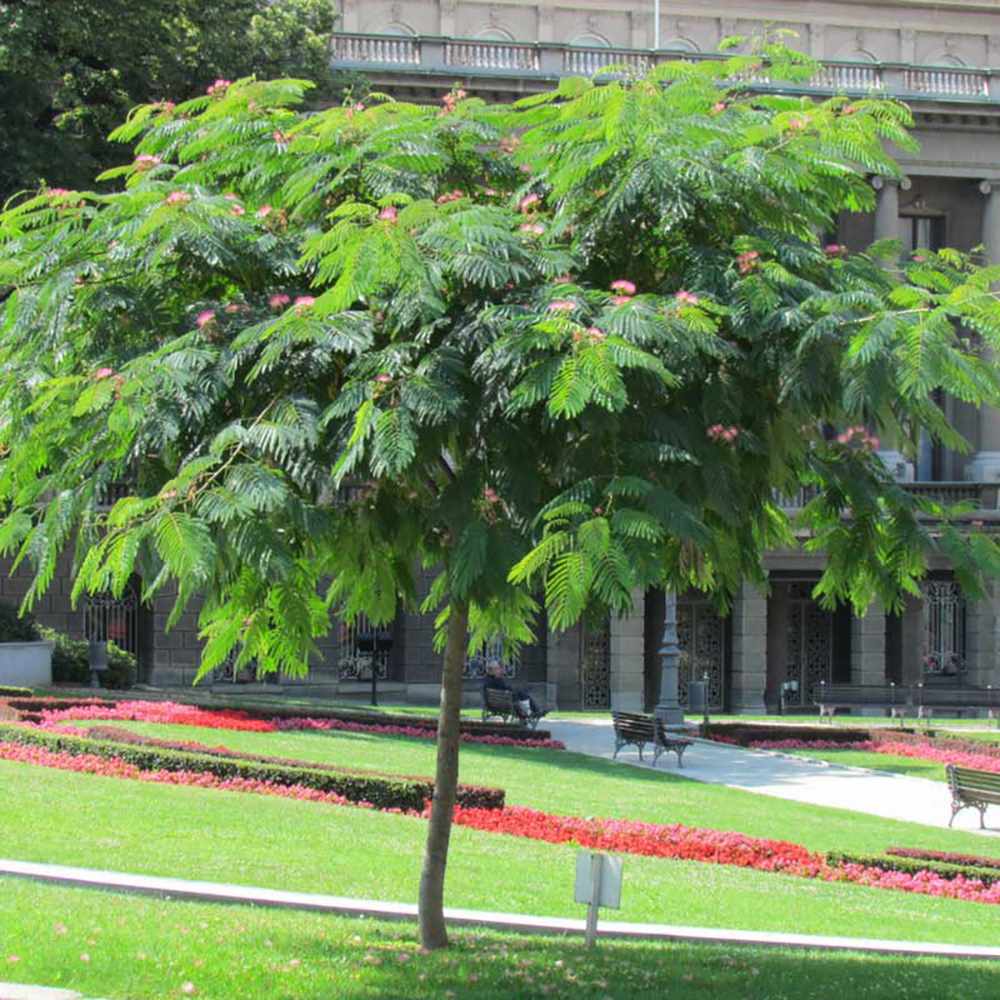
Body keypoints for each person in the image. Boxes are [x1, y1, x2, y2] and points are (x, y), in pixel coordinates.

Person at [481, 659, 546, 719]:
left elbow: (503, 689)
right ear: (493, 670)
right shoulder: (496, 680)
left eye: (499, 668)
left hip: (492, 704)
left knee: (521, 694)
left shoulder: (487, 680)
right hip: (505, 703)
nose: (499, 670)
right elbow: (506, 689)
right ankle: (534, 711)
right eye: (498, 668)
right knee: (522, 694)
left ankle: (532, 712)